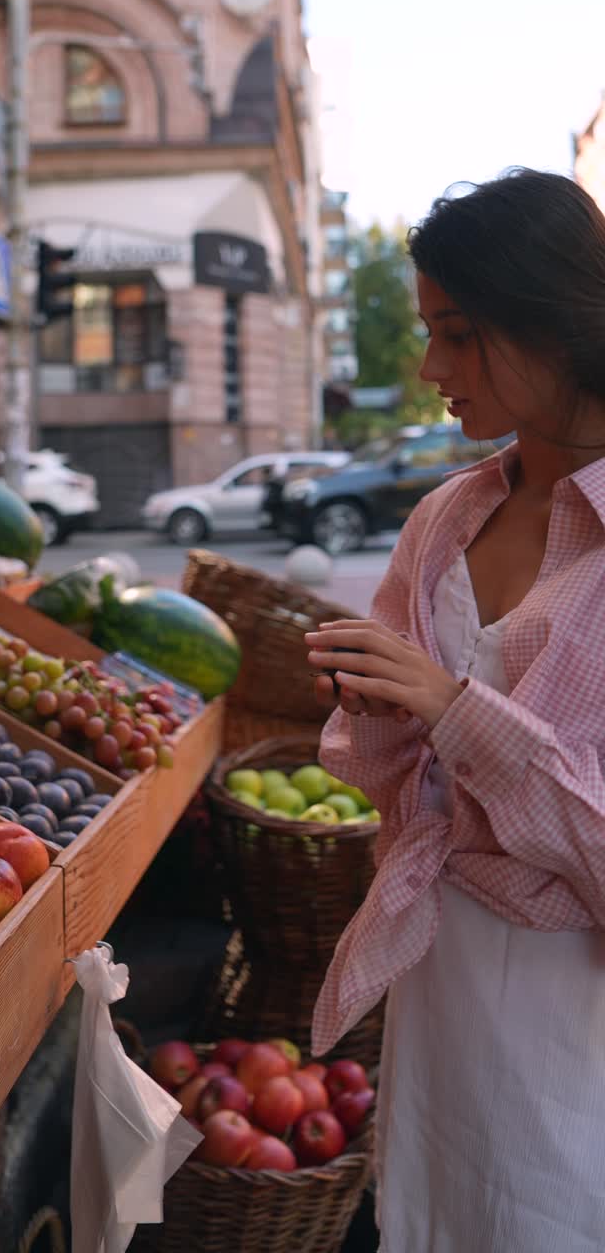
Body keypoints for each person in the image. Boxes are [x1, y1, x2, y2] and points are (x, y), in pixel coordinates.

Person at [305, 168, 605, 1253]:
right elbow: (385, 781)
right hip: (439, 989)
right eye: (430, 329)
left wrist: (453, 708)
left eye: (462, 333)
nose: (431, 367)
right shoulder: (444, 516)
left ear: (561, 324)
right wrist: (372, 697)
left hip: (576, 1025)